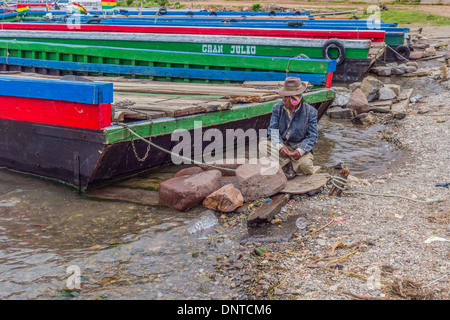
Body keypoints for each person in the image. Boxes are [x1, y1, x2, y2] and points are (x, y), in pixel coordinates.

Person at [259, 77, 318, 180]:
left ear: (295, 99)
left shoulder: (311, 112)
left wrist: (300, 151)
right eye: (283, 96)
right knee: (263, 145)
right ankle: (288, 166)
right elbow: (272, 130)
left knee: (307, 166)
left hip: (298, 147)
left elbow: (313, 137)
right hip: (283, 145)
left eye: (286, 97)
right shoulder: (277, 108)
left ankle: (287, 165)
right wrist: (280, 146)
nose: (283, 99)